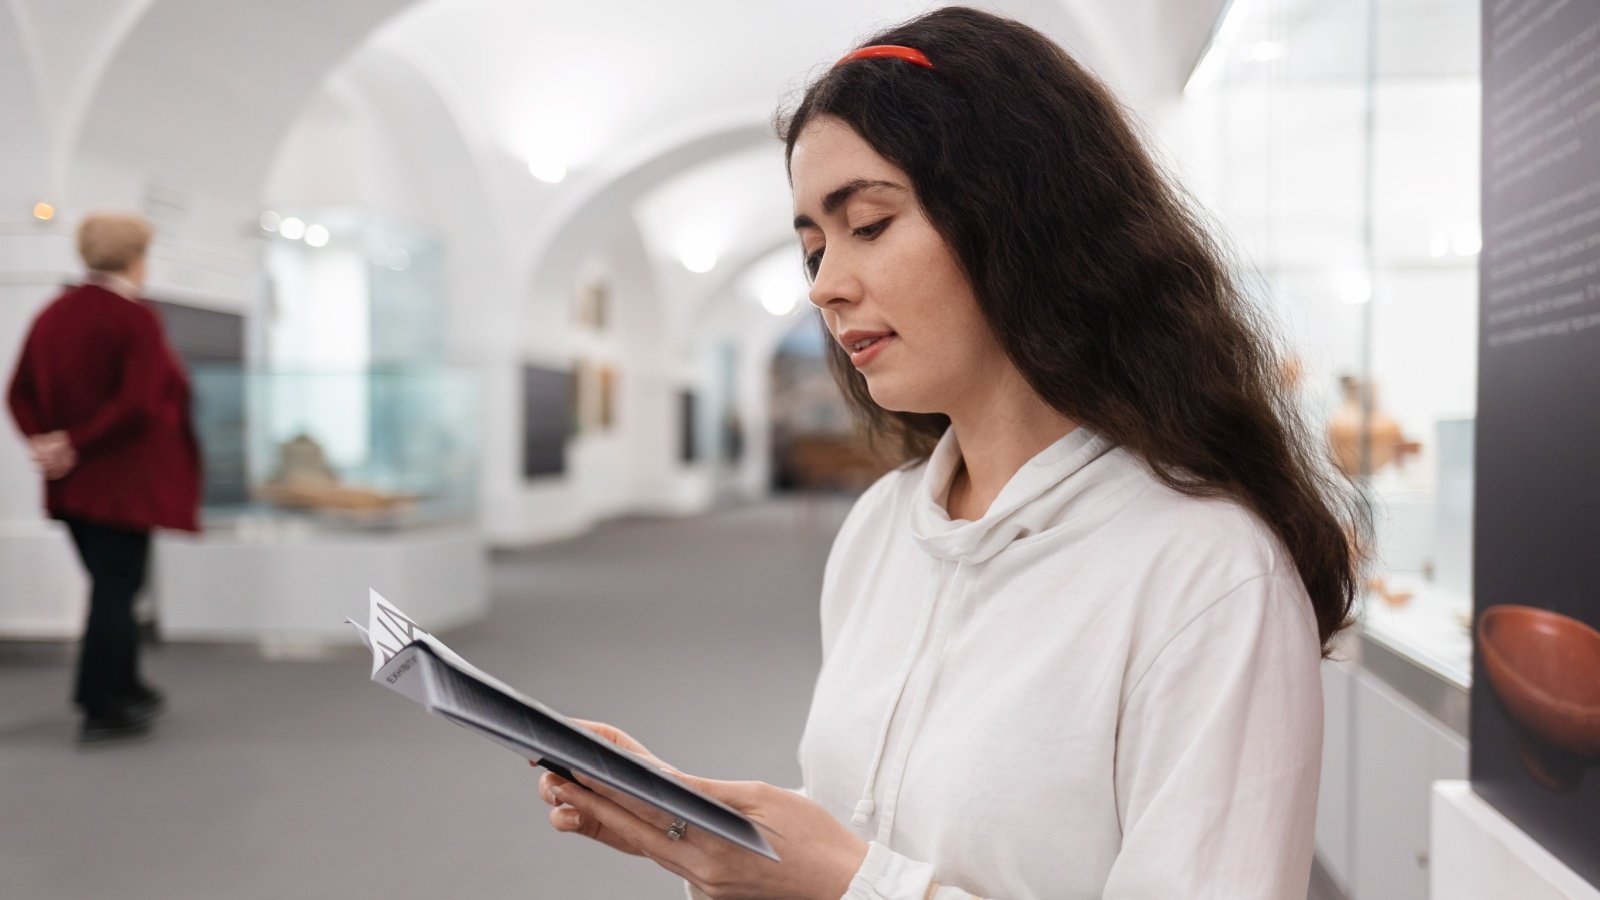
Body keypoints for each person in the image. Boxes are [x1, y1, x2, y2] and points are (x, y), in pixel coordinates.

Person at [534, 8, 1362, 898]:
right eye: (812, 246)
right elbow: (874, 829)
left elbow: (864, 874)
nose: (823, 285)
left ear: (1021, 215)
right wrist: (717, 845)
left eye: (870, 225)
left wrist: (853, 885)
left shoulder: (1206, 572)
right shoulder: (882, 528)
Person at [7, 212, 202, 744]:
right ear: (138, 256)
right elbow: (138, 404)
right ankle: (101, 702)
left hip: (69, 482)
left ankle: (127, 684)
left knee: (112, 583)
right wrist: (77, 443)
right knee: (117, 588)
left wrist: (43, 443)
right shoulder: (135, 319)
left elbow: (17, 390)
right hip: (119, 481)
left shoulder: (53, 312)